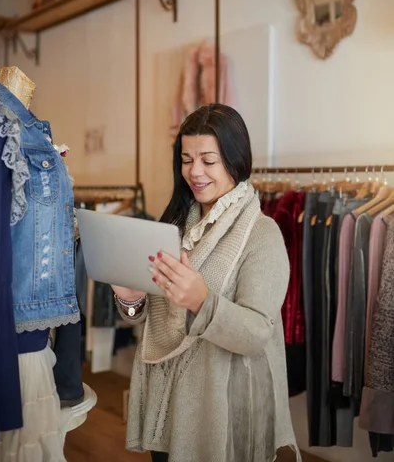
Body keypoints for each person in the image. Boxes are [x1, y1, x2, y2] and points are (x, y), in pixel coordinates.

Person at [112, 103, 300, 462]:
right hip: (169, 407)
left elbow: (258, 332)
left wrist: (202, 301)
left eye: (208, 161)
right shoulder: (175, 226)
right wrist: (131, 298)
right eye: (186, 159)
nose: (194, 172)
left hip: (223, 415)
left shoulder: (262, 234)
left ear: (236, 160)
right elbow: (152, 318)